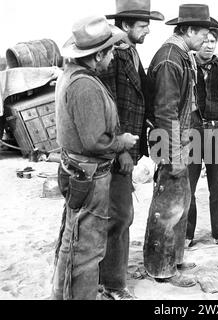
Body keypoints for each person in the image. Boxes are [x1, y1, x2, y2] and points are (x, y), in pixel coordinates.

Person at [51, 15, 138, 300]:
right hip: (88, 174)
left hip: (78, 170)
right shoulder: (85, 85)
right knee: (87, 249)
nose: (113, 56)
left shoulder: (73, 76)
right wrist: (122, 142)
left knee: (72, 242)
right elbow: (94, 141)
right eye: (110, 51)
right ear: (98, 54)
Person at [143, 4, 218, 287]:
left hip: (180, 139)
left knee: (181, 204)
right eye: (203, 33)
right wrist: (175, 154)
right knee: (167, 207)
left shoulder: (180, 55)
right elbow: (165, 112)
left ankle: (174, 258)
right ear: (188, 30)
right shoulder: (169, 59)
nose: (206, 40)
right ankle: (161, 269)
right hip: (170, 141)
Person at [98, 0, 164, 300]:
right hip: (115, 151)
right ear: (126, 26)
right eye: (143, 24)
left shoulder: (130, 51)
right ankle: (112, 284)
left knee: (119, 215)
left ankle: (106, 278)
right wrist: (121, 150)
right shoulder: (113, 56)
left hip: (125, 149)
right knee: (120, 215)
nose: (148, 29)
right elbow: (109, 107)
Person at [186, 24, 218, 248]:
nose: (208, 45)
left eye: (212, 41)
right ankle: (187, 234)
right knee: (188, 185)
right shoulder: (187, 65)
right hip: (193, 132)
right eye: (205, 40)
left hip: (216, 132)